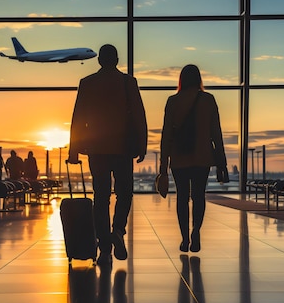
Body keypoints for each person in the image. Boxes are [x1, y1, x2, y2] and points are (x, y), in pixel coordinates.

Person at [68, 44, 147, 266]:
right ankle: (118, 230)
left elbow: (78, 117)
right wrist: (141, 145)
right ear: (117, 59)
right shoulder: (127, 82)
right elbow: (139, 115)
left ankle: (104, 246)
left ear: (100, 60)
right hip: (123, 148)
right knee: (125, 193)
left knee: (100, 198)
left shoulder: (88, 83)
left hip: (97, 149)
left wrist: (74, 149)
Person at [159, 64, 229, 253]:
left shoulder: (173, 101)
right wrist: (221, 160)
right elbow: (216, 132)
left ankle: (184, 238)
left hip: (179, 158)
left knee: (182, 197)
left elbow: (166, 135)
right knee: (199, 196)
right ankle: (196, 230)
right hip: (202, 157)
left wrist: (163, 165)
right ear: (199, 79)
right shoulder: (208, 100)